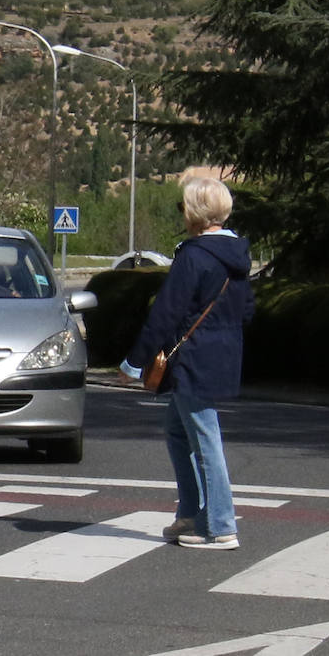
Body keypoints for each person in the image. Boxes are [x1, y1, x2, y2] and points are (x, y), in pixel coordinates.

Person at [119, 177, 254, 551]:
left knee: (206, 441)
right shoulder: (238, 256)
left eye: (184, 206)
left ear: (196, 212)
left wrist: (135, 361)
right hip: (222, 356)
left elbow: (166, 312)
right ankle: (192, 514)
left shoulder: (193, 255)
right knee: (179, 433)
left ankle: (221, 526)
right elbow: (247, 311)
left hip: (192, 359)